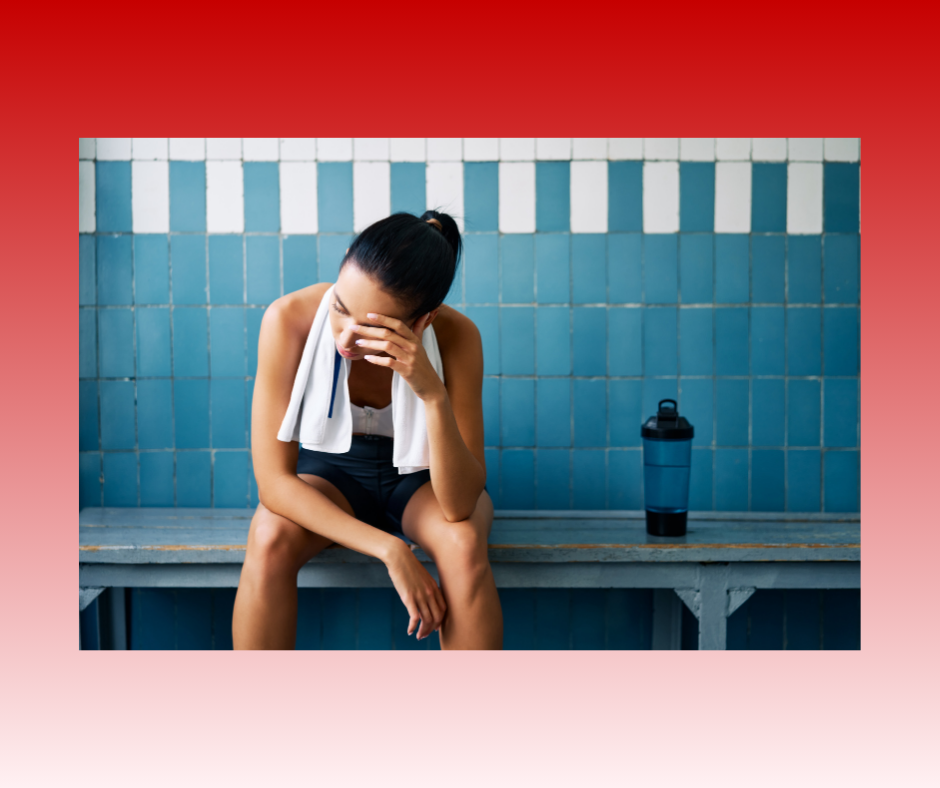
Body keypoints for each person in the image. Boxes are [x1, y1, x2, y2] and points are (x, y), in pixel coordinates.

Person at [232, 210, 503, 650]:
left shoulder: (458, 337)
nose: (345, 339)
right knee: (268, 535)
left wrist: (432, 394)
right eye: (341, 308)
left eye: (374, 328)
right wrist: (390, 549)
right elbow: (274, 484)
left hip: (423, 483)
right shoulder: (288, 320)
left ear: (423, 321)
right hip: (332, 476)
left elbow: (458, 504)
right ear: (341, 267)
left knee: (463, 542)